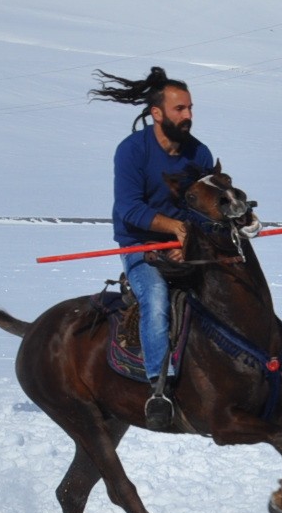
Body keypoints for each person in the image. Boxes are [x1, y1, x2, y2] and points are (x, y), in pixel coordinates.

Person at [91, 66, 216, 431]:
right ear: (157, 113)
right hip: (140, 248)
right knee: (157, 299)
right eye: (181, 109)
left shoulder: (200, 154)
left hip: (186, 246)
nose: (189, 116)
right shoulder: (132, 151)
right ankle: (159, 389)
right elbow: (128, 208)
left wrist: (189, 240)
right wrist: (174, 229)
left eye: (191, 108)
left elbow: (205, 210)